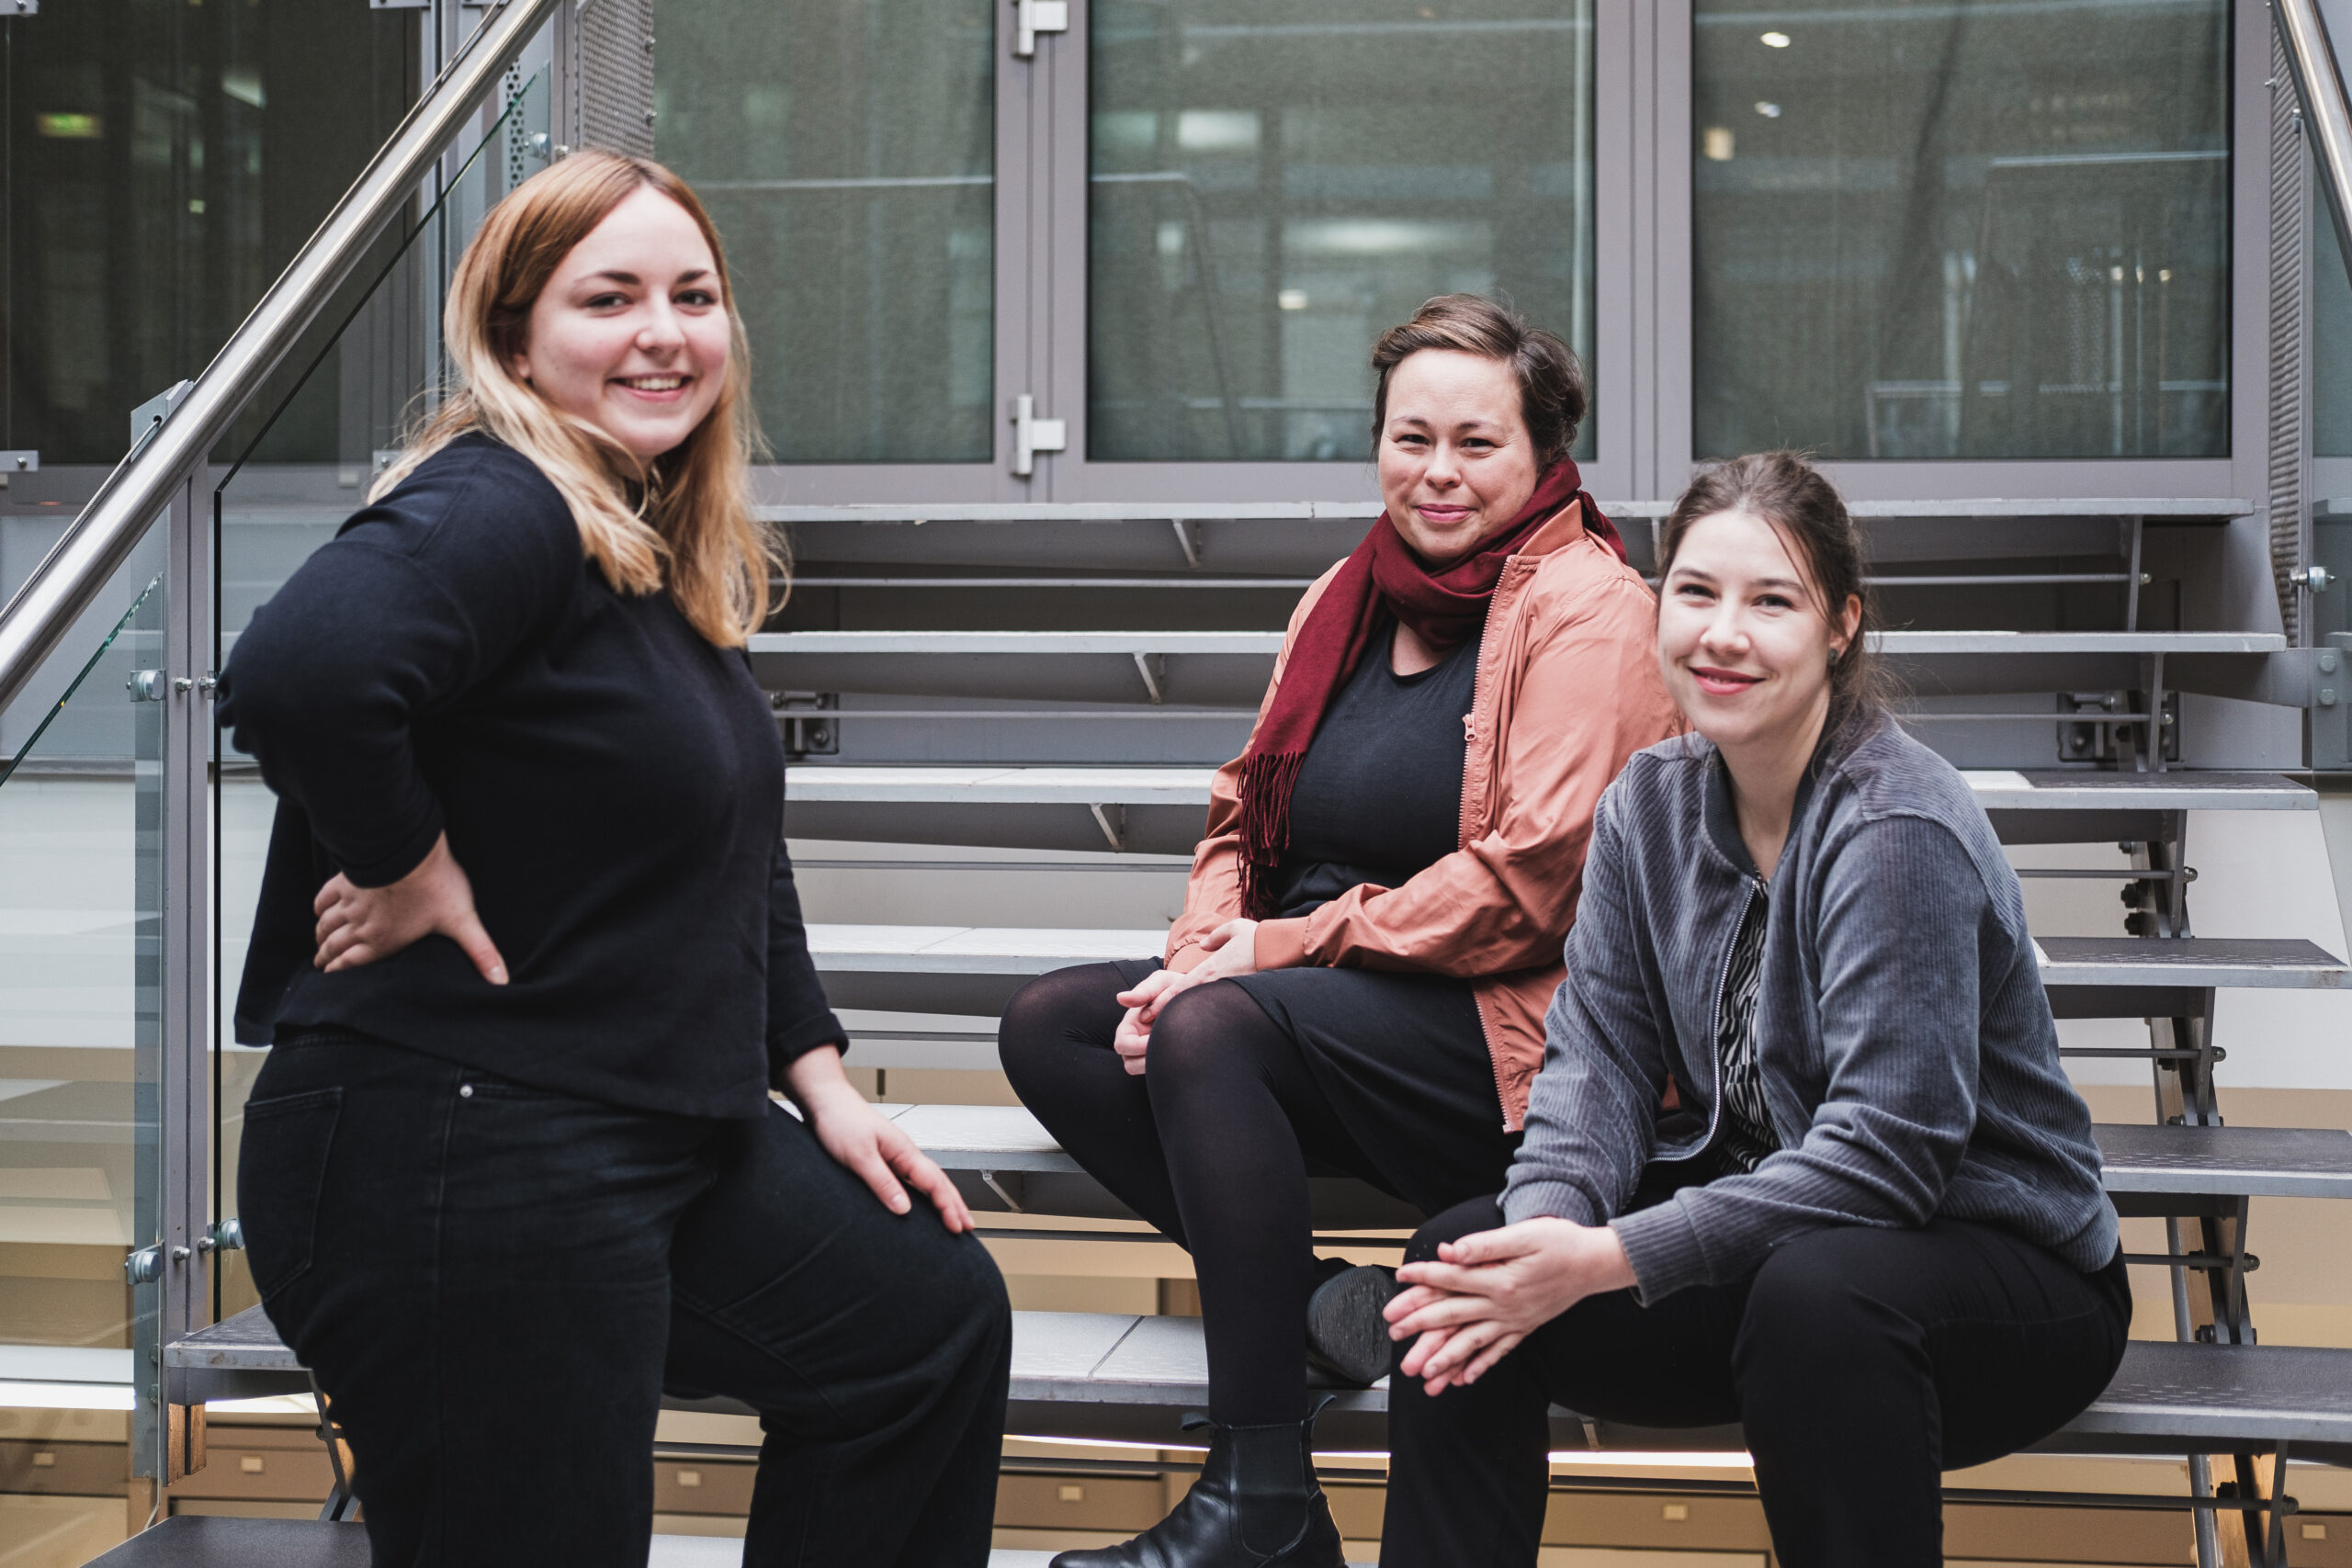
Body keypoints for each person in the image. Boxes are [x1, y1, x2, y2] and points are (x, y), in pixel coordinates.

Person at [220, 152, 1009, 1568]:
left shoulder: (637, 540)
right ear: (516, 333)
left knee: (916, 1320)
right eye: (611, 296)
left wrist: (817, 1070)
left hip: (648, 1124)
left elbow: (732, 842)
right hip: (457, 1137)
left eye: (693, 295)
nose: (664, 330)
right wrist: (405, 857)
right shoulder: (502, 499)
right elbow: (303, 669)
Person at [999, 294, 1683, 1568]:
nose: (1436, 471)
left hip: (1505, 1034)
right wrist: (1206, 939)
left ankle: (1263, 1489)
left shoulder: (1593, 609)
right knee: (1052, 1026)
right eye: (1409, 436)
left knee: (1208, 1029)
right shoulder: (1347, 594)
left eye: (1476, 443)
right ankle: (1315, 1303)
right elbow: (1242, 810)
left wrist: (1272, 952)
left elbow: (1532, 885)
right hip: (1312, 1001)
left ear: (1544, 454)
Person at [1375, 452, 2130, 1568]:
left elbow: (1889, 1157)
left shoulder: (1893, 828)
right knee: (1464, 1263)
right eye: (1695, 592)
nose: (1722, 635)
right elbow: (1596, 1064)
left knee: (1816, 1296)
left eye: (1770, 601)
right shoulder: (1649, 803)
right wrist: (1544, 1232)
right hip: (1778, 1264)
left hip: (1997, 1276)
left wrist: (1600, 1259)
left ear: (1840, 627)